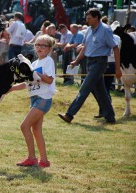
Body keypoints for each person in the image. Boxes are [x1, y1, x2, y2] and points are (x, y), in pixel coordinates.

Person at [58, 8, 122, 124]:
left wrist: (118, 69)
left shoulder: (105, 30)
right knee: (101, 92)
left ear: (96, 17)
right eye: (86, 18)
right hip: (90, 62)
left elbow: (115, 48)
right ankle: (110, 117)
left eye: (89, 18)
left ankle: (69, 115)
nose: (87, 20)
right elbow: (85, 47)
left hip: (100, 62)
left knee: (84, 89)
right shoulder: (89, 30)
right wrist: (76, 61)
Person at [9, 35, 56, 168]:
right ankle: (44, 161)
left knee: (24, 126)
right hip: (35, 98)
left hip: (43, 98)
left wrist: (35, 74)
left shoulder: (48, 61)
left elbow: (49, 80)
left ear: (49, 49)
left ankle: (32, 158)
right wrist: (11, 89)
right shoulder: (34, 64)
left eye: (43, 45)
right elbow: (27, 84)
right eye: (37, 45)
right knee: (36, 130)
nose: (39, 47)